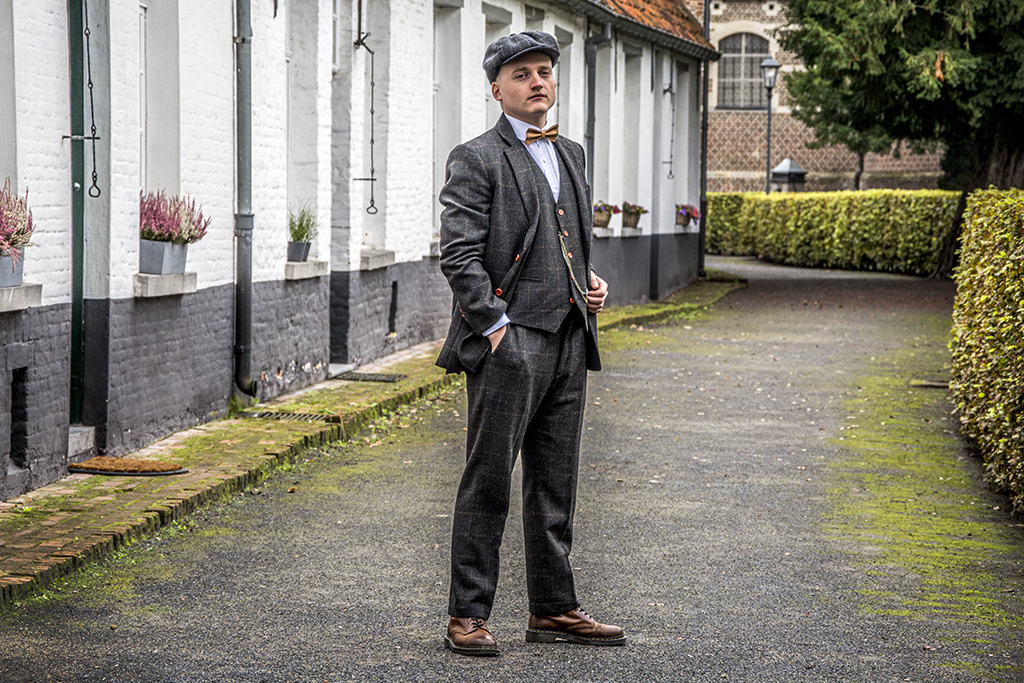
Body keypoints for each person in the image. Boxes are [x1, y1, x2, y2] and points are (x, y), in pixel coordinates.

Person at [435, 30, 624, 657]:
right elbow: (459, 256)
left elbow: (564, 236)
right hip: (510, 344)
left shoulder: (571, 152)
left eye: (544, 71)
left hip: (570, 337)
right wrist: (496, 329)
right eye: (521, 74)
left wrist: (587, 279)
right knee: (488, 480)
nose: (537, 81)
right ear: (497, 89)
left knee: (555, 482)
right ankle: (468, 614)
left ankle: (553, 608)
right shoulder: (476, 157)